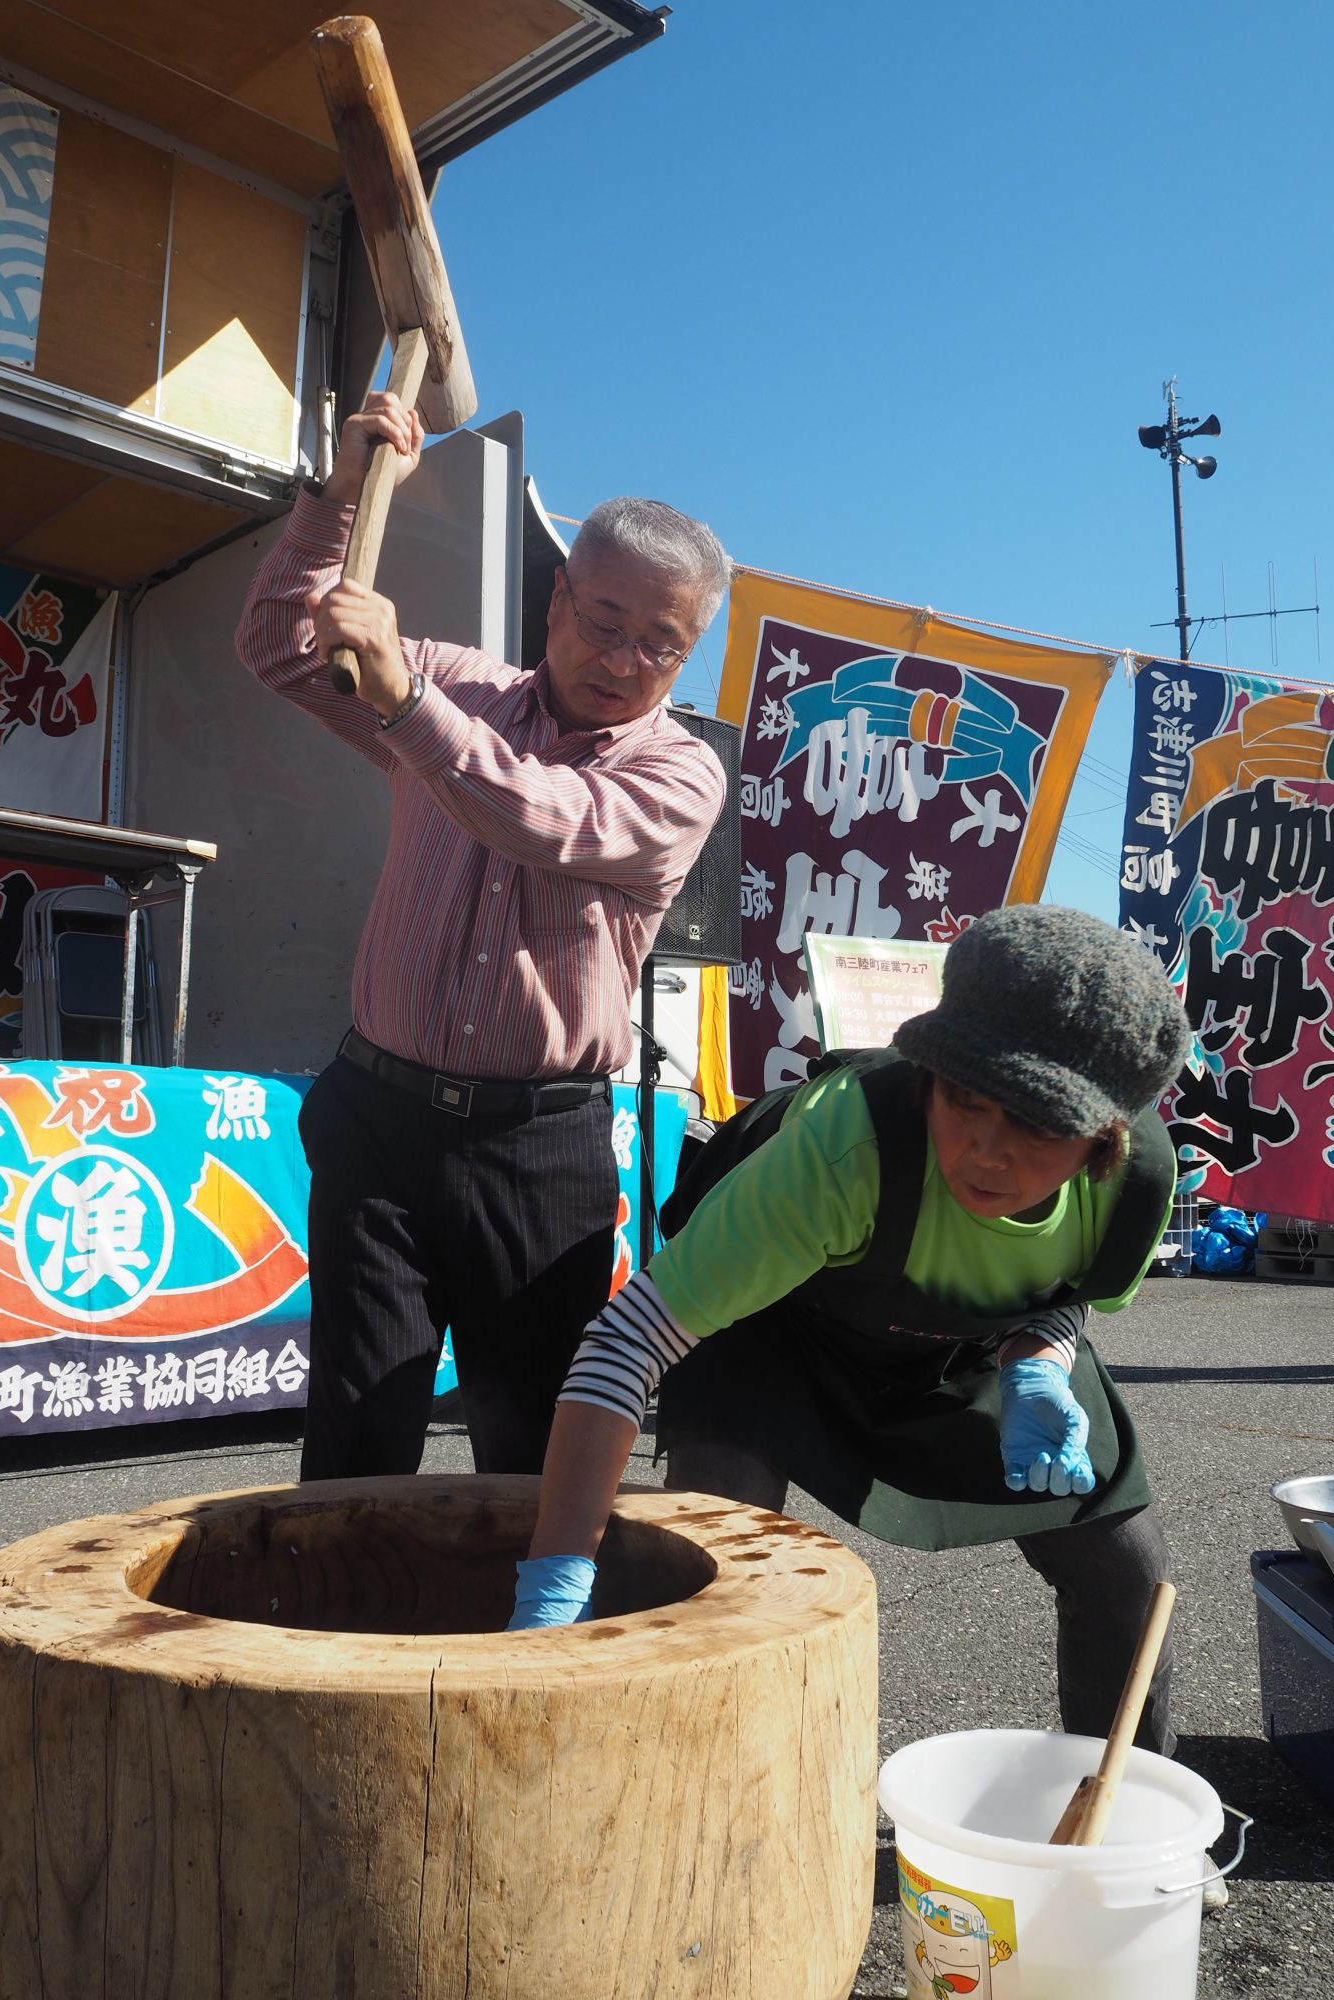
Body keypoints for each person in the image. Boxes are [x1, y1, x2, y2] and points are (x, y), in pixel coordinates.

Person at [510, 904, 1190, 1764]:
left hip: (970, 1348)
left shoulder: (1132, 1184)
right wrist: (559, 1568)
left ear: (1105, 1136)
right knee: (713, 1543)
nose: (984, 1151)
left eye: (1036, 1125)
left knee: (1126, 1566)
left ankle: (1123, 1812)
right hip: (777, 1328)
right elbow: (625, 1342)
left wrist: (1039, 1368)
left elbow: (1062, 1291)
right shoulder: (843, 1152)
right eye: (964, 1099)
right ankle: (680, 1773)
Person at [235, 392, 730, 1482]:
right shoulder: (464, 685)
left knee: (529, 1450)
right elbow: (276, 645)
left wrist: (406, 699)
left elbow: (548, 817)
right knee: (358, 1429)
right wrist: (339, 499)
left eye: (663, 642)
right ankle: (345, 1642)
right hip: (376, 1116)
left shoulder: (681, 770)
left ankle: (525, 1644)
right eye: (605, 619)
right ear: (558, 598)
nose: (625, 658)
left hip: (536, 1147)